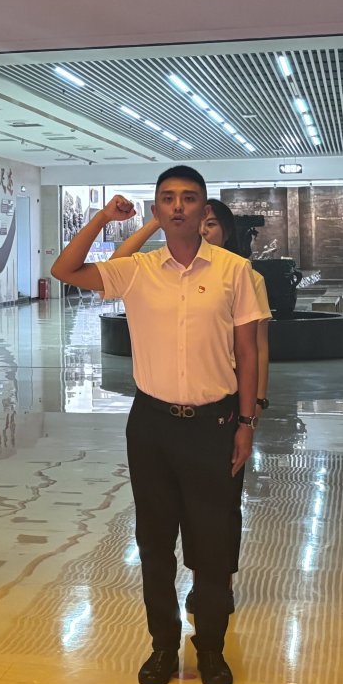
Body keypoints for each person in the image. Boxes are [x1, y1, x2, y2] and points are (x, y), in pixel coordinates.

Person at [53, 168, 262, 684]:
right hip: (151, 426)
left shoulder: (236, 271)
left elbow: (248, 352)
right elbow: (65, 269)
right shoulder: (137, 271)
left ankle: (210, 647)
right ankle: (163, 645)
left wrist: (246, 422)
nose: (178, 207)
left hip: (214, 423)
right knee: (154, 543)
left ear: (205, 209)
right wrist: (104, 218)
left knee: (212, 545)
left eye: (188, 198)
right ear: (156, 210)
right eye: (167, 198)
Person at [113, 196, 270, 612]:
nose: (202, 230)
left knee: (218, 512)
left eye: (211, 224)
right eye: (199, 222)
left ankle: (213, 584)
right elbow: (116, 266)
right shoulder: (157, 272)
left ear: (225, 230)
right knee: (167, 515)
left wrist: (253, 409)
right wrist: (156, 224)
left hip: (221, 406)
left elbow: (256, 349)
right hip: (164, 413)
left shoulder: (241, 274)